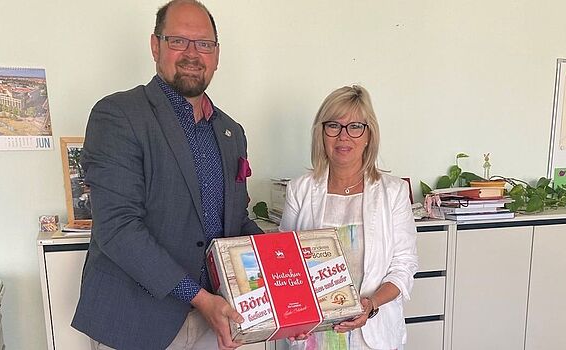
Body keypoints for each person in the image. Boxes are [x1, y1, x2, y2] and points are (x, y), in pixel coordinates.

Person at [71, 1, 262, 349]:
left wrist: (286, 281)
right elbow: (119, 229)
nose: (192, 54)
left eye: (204, 44)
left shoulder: (231, 131)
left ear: (216, 55)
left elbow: (236, 221)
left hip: (213, 321)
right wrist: (201, 298)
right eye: (178, 41)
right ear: (155, 46)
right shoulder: (117, 115)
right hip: (136, 321)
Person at [279, 85, 418, 349]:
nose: (344, 136)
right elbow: (287, 267)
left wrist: (371, 304)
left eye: (355, 127)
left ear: (369, 135)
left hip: (373, 335)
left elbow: (404, 266)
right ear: (322, 133)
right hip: (315, 336)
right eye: (334, 126)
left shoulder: (394, 192)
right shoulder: (300, 189)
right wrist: (292, 318)